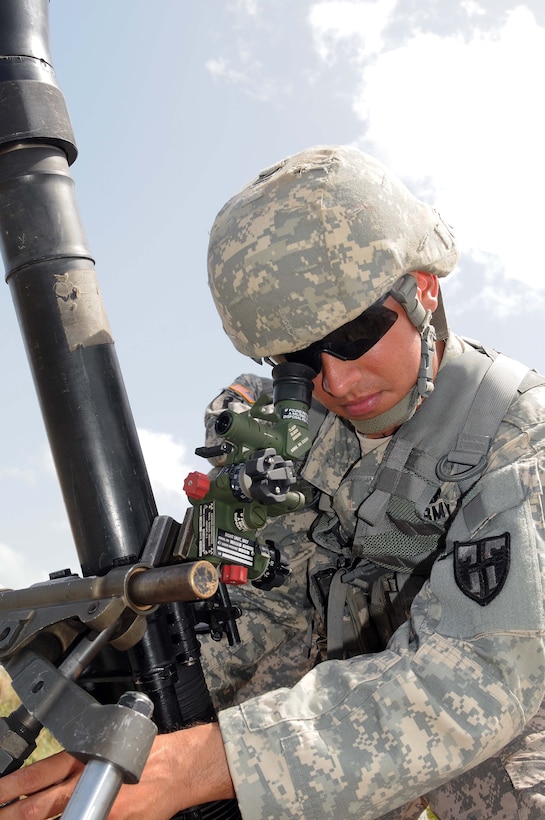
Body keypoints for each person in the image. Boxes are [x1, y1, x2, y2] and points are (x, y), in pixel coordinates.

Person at [1, 144, 545, 819]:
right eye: (296, 359)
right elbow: (263, 621)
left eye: (355, 334)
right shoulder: (291, 437)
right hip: (353, 691)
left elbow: (480, 675)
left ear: (422, 289)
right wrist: (146, 726)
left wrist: (205, 764)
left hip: (495, 686)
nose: (337, 383)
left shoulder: (518, 438)